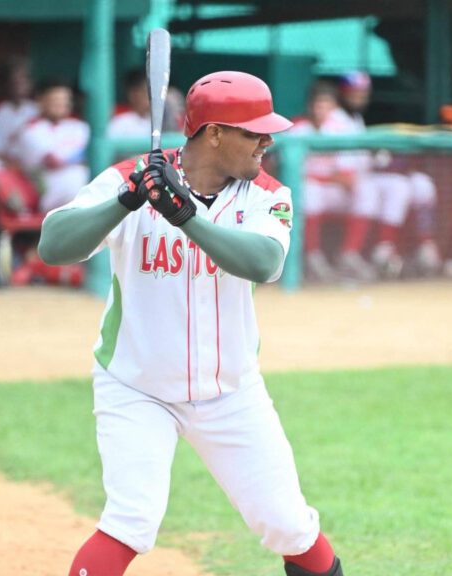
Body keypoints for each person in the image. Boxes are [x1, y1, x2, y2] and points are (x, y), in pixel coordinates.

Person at [36, 70, 343, 576]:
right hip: (137, 387)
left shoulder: (266, 194)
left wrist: (185, 216)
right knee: (131, 520)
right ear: (215, 132)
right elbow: (53, 245)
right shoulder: (130, 179)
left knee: (288, 524)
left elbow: (264, 263)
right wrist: (124, 201)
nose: (267, 141)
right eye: (254, 131)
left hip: (231, 392)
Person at [338, 71, 441, 277]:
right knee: (397, 187)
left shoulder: (356, 118)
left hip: (366, 175)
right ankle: (378, 249)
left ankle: (425, 246)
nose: (358, 96)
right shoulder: (337, 118)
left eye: (362, 92)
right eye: (353, 92)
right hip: (344, 182)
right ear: (342, 93)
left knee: (423, 184)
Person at [291, 79, 379, 282]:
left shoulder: (340, 129)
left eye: (326, 105)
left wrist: (339, 180)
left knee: (366, 190)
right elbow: (286, 171)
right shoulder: (298, 127)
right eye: (317, 104)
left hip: (333, 192)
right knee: (310, 189)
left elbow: (346, 174)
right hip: (306, 193)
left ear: (334, 107)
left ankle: (350, 254)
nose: (321, 109)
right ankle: (313, 256)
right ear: (310, 106)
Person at [17, 78, 90, 212]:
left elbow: (94, 155)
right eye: (56, 100)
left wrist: (83, 157)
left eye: (65, 100)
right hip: (50, 195)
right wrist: (82, 157)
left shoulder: (80, 126)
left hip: (82, 195)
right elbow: (53, 161)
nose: (62, 104)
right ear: (40, 101)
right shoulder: (31, 129)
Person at [0, 56, 38, 163]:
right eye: (15, 81)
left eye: (24, 80)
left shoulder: (36, 109)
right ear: (6, 83)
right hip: (3, 166)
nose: (19, 85)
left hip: (32, 166)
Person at [107, 68, 151, 140]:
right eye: (146, 92)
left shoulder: (160, 119)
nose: (152, 97)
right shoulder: (120, 120)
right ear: (132, 93)